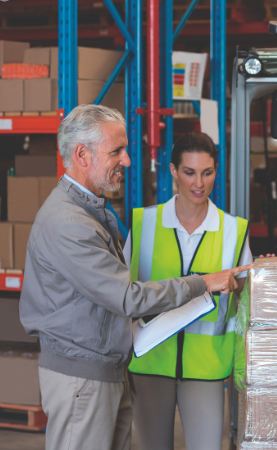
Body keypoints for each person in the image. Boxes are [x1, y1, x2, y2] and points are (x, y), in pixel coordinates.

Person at [19, 105, 251, 450]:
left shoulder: (92, 213)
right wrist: (203, 282)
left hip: (113, 370)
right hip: (86, 376)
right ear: (82, 155)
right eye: (116, 151)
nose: (127, 161)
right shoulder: (70, 224)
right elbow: (127, 297)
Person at [123, 132, 252, 450]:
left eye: (207, 173)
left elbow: (245, 301)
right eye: (189, 172)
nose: (199, 183)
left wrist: (258, 280)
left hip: (206, 368)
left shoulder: (234, 230)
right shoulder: (143, 224)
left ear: (216, 171)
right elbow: (122, 293)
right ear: (173, 171)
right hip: (150, 362)